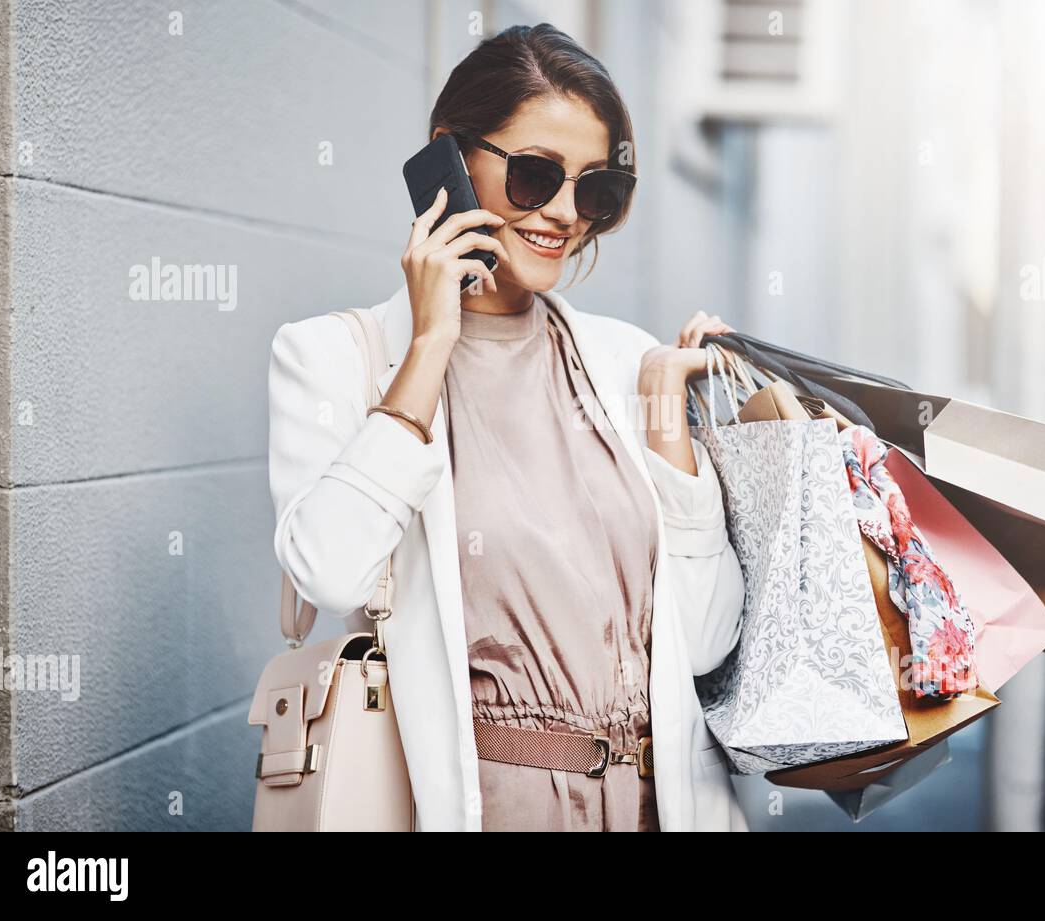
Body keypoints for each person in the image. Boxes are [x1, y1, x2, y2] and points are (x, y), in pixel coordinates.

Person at [266, 23, 748, 831]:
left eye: (595, 190)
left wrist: (669, 414)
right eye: (533, 175)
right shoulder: (333, 359)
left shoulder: (627, 362)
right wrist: (430, 345)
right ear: (446, 160)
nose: (563, 213)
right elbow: (331, 573)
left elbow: (705, 645)